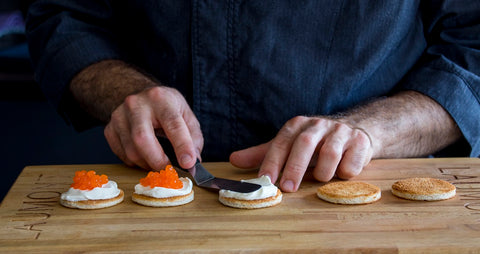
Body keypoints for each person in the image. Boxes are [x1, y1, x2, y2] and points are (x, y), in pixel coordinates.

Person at [25, 1, 479, 192]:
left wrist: (374, 130)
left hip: (359, 194)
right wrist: (125, 91)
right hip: (158, 188)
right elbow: (64, 17)